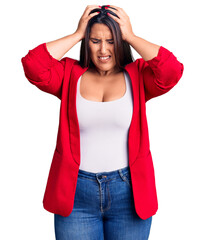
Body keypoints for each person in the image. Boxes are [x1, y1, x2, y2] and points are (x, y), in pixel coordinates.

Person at [21, 5, 184, 240]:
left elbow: (171, 71)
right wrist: (78, 33)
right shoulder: (69, 75)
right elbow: (33, 66)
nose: (103, 49)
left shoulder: (137, 75)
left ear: (121, 42)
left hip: (128, 193)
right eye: (95, 40)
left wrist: (131, 36)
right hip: (76, 193)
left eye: (111, 41)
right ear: (87, 43)